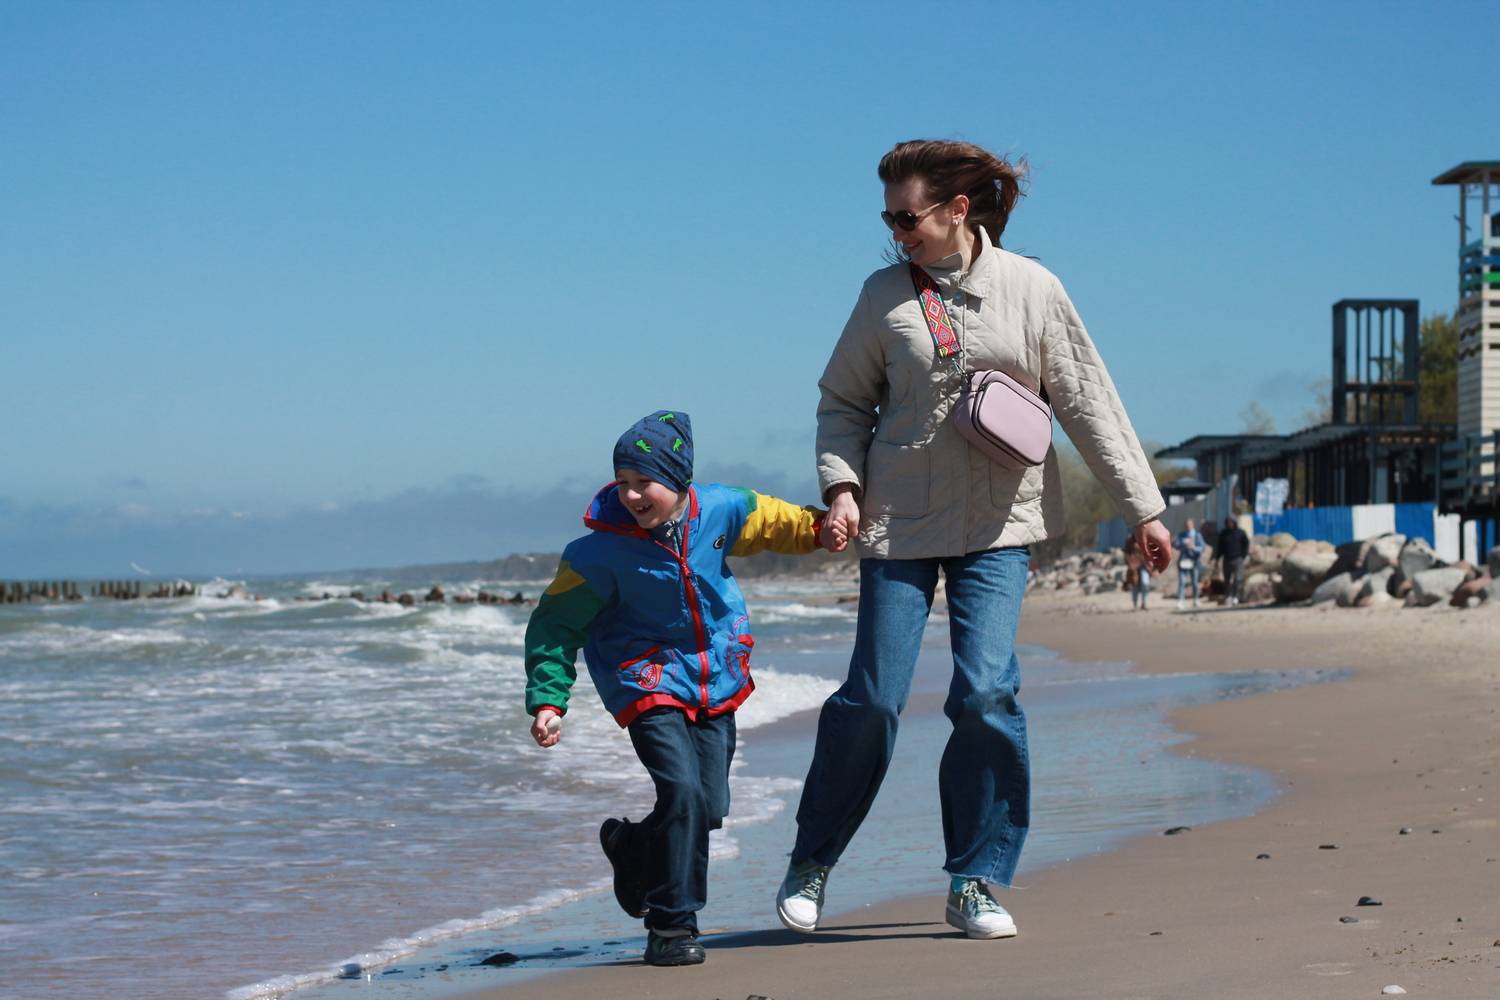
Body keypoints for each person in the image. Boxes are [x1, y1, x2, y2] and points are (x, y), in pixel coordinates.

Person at [776, 139, 1174, 942]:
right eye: (888, 219)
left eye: (908, 218)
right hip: (900, 520)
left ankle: (975, 880)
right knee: (873, 700)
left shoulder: (1033, 288)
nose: (897, 233)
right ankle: (812, 859)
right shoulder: (882, 296)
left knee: (986, 693)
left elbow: (1088, 401)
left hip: (1001, 521)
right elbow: (843, 403)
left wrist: (1144, 509)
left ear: (958, 209)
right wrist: (842, 488)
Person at [523, 410, 841, 967]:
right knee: (684, 795)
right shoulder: (598, 553)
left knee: (708, 806)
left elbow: (774, 521)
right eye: (623, 482)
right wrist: (550, 699)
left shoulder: (720, 508)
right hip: (644, 679)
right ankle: (671, 926)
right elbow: (555, 625)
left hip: (714, 674)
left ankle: (633, 846)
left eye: (643, 481)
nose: (631, 495)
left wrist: (820, 529)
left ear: (678, 479)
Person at [1215, 514, 1251, 606]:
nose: (1229, 524)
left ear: (1235, 522)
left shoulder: (1241, 533)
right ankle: (1228, 596)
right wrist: (1217, 559)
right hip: (1227, 559)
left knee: (1238, 579)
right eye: (1228, 522)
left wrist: (1244, 555)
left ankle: (1236, 597)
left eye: (1231, 522)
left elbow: (1246, 544)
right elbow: (1219, 547)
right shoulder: (1223, 534)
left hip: (1238, 559)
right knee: (1227, 580)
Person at [1175, 518, 1206, 609]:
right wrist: (1183, 543)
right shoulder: (1181, 535)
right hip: (1183, 561)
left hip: (1194, 561)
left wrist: (1194, 548)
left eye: (1189, 525)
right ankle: (1180, 601)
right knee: (1182, 582)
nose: (1188, 526)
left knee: (1195, 582)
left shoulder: (1197, 535)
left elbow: (1202, 547)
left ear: (1193, 525)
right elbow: (1176, 545)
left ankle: (1196, 599)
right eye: (1186, 525)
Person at [1124, 533, 1152, 610]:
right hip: (1134, 565)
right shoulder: (1130, 540)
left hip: (1144, 565)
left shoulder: (1146, 538)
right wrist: (1129, 563)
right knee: (1134, 584)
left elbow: (1150, 550)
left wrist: (1151, 564)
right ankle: (1135, 604)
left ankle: (1144, 603)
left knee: (1145, 583)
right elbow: (1126, 553)